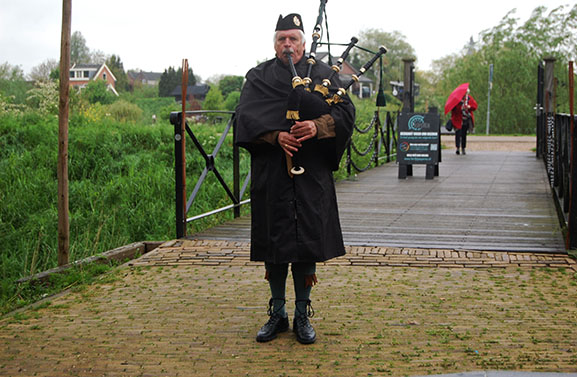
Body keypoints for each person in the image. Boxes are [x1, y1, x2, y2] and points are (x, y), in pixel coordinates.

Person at [235, 13, 355, 344]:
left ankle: (302, 315)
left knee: (305, 244)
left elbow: (346, 113)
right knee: (275, 244)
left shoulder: (322, 74)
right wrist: (276, 137)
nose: (287, 44)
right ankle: (277, 314)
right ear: (274, 43)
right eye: (281, 39)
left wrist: (318, 127)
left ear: (303, 43)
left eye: (293, 39)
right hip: (272, 173)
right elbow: (245, 118)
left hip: (311, 174)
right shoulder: (258, 77)